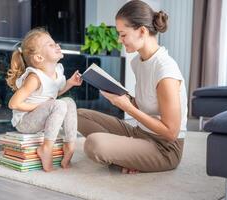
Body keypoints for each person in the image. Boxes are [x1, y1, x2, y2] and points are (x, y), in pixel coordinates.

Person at [77, 0, 187, 174]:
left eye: (123, 34)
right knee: (78, 115)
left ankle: (129, 156)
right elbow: (146, 104)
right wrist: (124, 97)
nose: (120, 40)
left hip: (164, 149)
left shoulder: (166, 70)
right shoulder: (138, 61)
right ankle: (128, 154)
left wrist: (126, 107)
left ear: (142, 31)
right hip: (140, 133)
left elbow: (171, 132)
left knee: (94, 144)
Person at [6, 28, 83, 172]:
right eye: (51, 44)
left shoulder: (58, 71)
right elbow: (14, 104)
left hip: (41, 116)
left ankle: (70, 144)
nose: (57, 45)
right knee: (59, 105)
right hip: (25, 122)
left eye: (55, 43)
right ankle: (46, 148)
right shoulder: (34, 78)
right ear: (39, 58)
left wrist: (70, 83)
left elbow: (54, 93)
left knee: (69, 102)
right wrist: (41, 105)